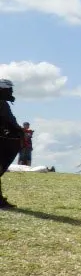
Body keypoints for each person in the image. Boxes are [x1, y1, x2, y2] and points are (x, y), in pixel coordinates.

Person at [0, 79, 24, 209]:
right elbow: (9, 121)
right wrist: (20, 132)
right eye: (9, 90)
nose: (11, 92)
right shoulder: (2, 104)